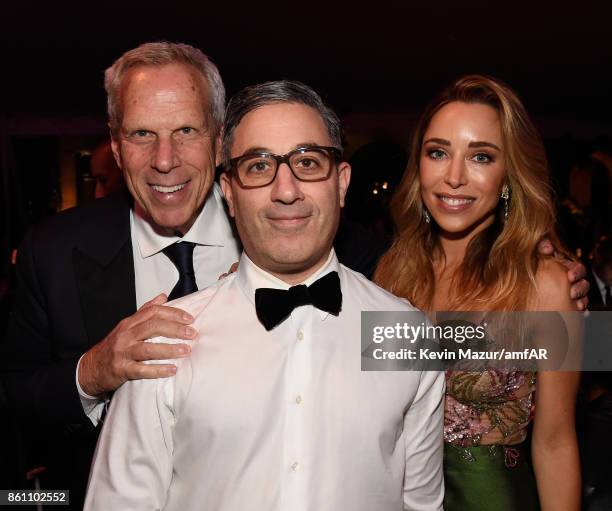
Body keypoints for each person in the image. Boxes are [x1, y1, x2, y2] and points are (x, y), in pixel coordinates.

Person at [84, 80, 445, 510]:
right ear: (229, 193)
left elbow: (421, 505)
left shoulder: (406, 332)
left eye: (308, 162)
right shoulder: (164, 341)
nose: (286, 190)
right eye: (258, 166)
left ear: (342, 183)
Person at [1, 42, 241, 509]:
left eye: (186, 130)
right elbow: (12, 397)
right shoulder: (51, 250)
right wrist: (92, 373)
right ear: (115, 144)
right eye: (141, 134)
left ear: (219, 139)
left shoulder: (285, 237)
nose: (165, 159)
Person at [375, 75, 581, 510]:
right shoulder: (392, 273)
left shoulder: (545, 286)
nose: (453, 177)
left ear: (509, 174)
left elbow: (556, 442)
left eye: (481, 157)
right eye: (437, 153)